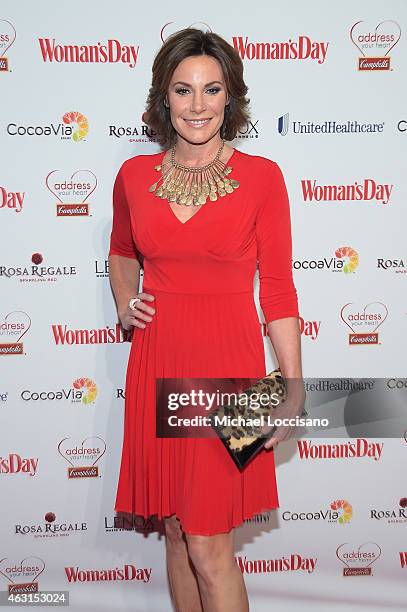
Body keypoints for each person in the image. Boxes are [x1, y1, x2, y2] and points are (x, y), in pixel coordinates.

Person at [108, 27, 303, 612]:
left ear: (230, 97)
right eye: (184, 90)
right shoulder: (134, 178)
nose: (198, 105)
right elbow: (120, 252)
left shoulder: (263, 177)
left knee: (210, 544)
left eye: (211, 90)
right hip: (158, 359)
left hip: (230, 373)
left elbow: (279, 288)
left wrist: (291, 386)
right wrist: (125, 301)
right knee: (175, 530)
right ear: (163, 98)